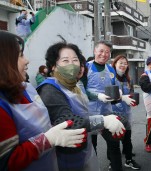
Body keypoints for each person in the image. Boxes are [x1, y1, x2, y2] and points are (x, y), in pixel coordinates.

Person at [0, 31, 86, 171]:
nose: (27, 60)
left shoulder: (27, 88)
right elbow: (6, 162)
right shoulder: (48, 89)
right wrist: (48, 140)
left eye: (75, 60)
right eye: (20, 55)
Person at [37, 42, 125, 171]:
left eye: (75, 60)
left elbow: (83, 113)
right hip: (64, 157)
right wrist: (102, 121)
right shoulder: (49, 89)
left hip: (83, 149)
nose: (72, 65)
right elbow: (68, 122)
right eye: (65, 61)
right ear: (53, 66)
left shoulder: (73, 86)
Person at [81, 40, 128, 171]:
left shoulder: (111, 69)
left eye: (107, 52)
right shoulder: (85, 67)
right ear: (95, 51)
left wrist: (118, 92)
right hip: (89, 113)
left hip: (106, 111)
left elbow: (112, 87)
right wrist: (97, 96)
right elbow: (81, 89)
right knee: (91, 144)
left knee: (114, 142)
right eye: (101, 51)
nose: (104, 54)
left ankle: (115, 167)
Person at [111, 55, 141, 170]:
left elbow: (132, 91)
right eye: (121, 63)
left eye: (125, 63)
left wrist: (133, 100)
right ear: (115, 64)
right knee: (114, 140)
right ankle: (112, 161)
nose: (123, 65)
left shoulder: (128, 78)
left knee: (127, 138)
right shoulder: (111, 77)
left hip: (126, 112)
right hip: (113, 113)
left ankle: (129, 159)